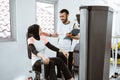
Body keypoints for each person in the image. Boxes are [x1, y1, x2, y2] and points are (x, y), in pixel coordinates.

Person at [49, 9, 80, 78]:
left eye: (63, 16)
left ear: (67, 15)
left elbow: (78, 37)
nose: (61, 18)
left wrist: (70, 36)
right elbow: (57, 35)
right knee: (58, 68)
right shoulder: (59, 24)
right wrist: (48, 35)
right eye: (60, 16)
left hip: (69, 50)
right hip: (59, 49)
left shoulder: (73, 24)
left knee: (68, 69)